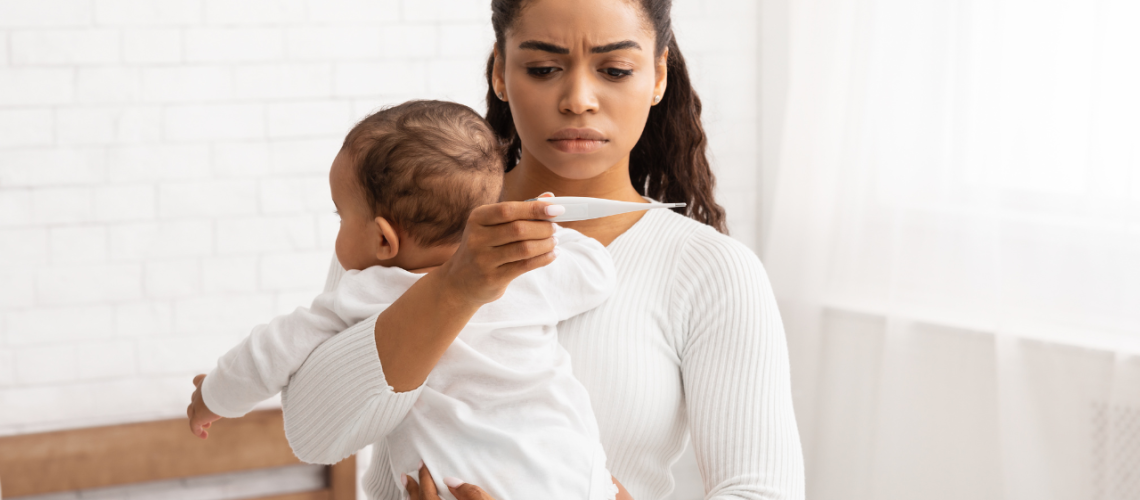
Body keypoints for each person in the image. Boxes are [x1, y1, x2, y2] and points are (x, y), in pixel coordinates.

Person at [278, 0, 807, 499]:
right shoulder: (400, 228)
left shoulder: (710, 271)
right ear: (500, 73)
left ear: (658, 75)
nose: (578, 99)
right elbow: (314, 436)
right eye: (543, 69)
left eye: (615, 70)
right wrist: (457, 287)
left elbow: (761, 489)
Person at [185, 100, 628, 500]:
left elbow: (271, 351)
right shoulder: (529, 273)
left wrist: (213, 396)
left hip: (457, 484)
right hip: (574, 476)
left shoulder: (368, 292)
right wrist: (543, 223)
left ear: (383, 239)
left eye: (341, 215)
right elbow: (596, 271)